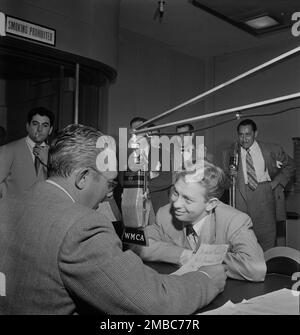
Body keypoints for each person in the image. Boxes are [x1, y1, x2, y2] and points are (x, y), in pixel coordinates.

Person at [0, 124, 226, 315]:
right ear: (83, 177)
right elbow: (153, 301)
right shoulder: (82, 226)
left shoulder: (8, 203)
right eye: (109, 183)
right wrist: (206, 278)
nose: (109, 194)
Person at [133, 161, 266, 282]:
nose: (176, 204)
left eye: (187, 199)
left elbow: (256, 268)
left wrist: (199, 259)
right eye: (176, 193)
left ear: (210, 204)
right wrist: (183, 255)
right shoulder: (165, 214)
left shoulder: (234, 221)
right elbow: (138, 245)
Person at [226, 119, 295, 251]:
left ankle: (266, 268)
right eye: (241, 134)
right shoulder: (231, 151)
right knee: (242, 238)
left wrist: (277, 182)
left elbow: (290, 166)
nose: (244, 139)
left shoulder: (272, 149)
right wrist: (230, 174)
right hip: (241, 194)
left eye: (248, 134)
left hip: (264, 193)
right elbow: (225, 179)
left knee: (267, 238)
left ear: (255, 134)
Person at [0, 107, 54, 198]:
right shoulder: (8, 150)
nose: (39, 129)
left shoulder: (56, 153)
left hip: (44, 210)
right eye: (35, 124)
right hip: (14, 209)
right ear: (27, 126)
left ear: (50, 130)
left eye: (45, 125)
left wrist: (49, 163)